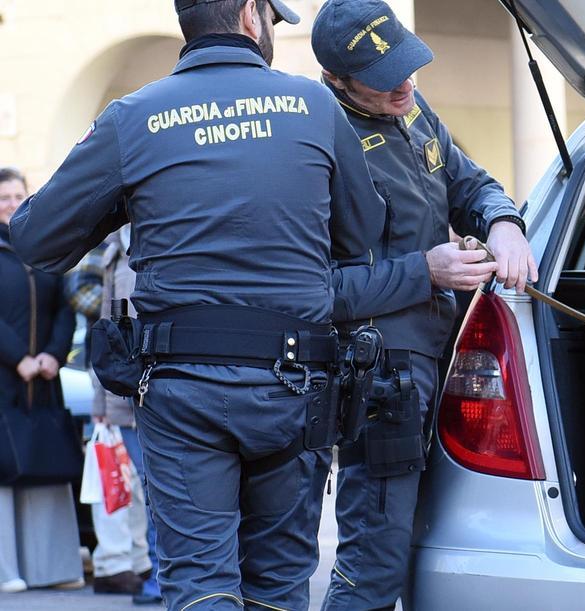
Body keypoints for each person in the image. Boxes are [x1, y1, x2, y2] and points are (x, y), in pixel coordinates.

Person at [8, 0, 388, 608]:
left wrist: (125, 200)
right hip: (296, 389)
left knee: (199, 586)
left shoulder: (132, 117)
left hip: (183, 389)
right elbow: (363, 232)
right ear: (247, 14)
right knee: (279, 585)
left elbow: (34, 237)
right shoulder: (313, 106)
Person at [310, 1, 536, 608]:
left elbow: (472, 184)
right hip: (381, 377)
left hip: (443, 355)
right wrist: (423, 271)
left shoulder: (414, 110)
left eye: (408, 65)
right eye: (386, 77)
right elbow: (312, 291)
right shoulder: (317, 139)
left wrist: (504, 222)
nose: (405, 84)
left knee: (427, 552)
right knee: (375, 562)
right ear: (338, 79)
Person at [65, 226, 163, 605]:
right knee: (148, 489)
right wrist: (101, 407)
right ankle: (156, 572)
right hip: (125, 398)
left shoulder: (166, 246)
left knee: (166, 487)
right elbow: (105, 338)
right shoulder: (111, 256)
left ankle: (169, 572)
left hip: (164, 388)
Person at [0, 166, 84, 593]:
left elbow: (66, 307)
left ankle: (52, 567)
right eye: (3, 198)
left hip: (44, 380)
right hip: (5, 381)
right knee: (5, 468)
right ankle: (6, 569)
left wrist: (53, 354)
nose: (11, 204)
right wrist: (19, 359)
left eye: (17, 196)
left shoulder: (44, 247)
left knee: (46, 464)